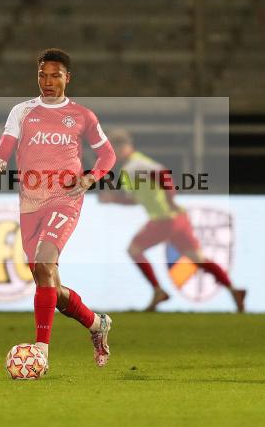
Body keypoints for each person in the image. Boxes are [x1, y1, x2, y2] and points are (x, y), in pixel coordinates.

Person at [0, 48, 117, 368]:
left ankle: (40, 352)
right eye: (42, 75)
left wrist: (90, 179)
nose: (47, 81)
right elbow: (7, 141)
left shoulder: (83, 116)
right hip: (30, 202)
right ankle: (97, 324)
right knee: (48, 284)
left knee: (45, 264)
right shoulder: (22, 110)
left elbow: (108, 157)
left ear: (67, 78)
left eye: (55, 75)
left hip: (66, 197)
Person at [99, 129, 246, 313]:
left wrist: (169, 198)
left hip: (164, 220)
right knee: (197, 259)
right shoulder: (128, 170)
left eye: (116, 147)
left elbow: (164, 175)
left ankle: (158, 291)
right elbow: (136, 200)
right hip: (178, 218)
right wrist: (114, 200)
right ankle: (234, 290)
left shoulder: (136, 164)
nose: (114, 151)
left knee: (134, 249)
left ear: (127, 146)